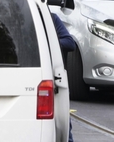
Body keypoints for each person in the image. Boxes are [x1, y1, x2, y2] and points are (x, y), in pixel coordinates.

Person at [50, 11, 76, 142]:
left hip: (54, 79)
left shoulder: (51, 18)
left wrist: (50, 44)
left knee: (63, 123)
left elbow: (70, 43)